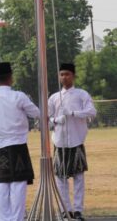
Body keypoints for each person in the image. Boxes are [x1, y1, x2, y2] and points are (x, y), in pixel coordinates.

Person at [0, 62, 40, 221]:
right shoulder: (19, 96)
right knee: (18, 186)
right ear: (11, 77)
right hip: (18, 146)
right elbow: (36, 113)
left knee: (2, 185)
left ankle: (4, 218)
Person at [48, 63, 97, 221]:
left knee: (78, 178)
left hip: (76, 141)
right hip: (60, 142)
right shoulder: (54, 97)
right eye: (62, 74)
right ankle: (65, 209)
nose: (64, 77)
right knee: (60, 178)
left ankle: (77, 210)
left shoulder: (82, 94)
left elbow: (92, 112)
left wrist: (73, 113)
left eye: (67, 74)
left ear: (73, 76)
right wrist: (56, 120)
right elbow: (46, 120)